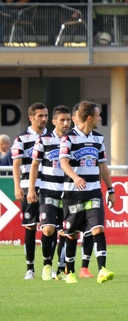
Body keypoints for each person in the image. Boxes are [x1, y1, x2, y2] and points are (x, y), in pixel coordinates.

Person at [59, 101, 115, 284]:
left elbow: (103, 166)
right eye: (98, 115)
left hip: (93, 192)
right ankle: (69, 272)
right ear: (90, 118)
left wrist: (111, 189)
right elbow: (63, 162)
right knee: (72, 234)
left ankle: (102, 270)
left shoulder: (99, 139)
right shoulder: (68, 138)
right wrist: (75, 177)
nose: (100, 118)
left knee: (98, 229)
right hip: (72, 194)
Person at [27, 105, 72, 281]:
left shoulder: (74, 141)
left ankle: (61, 269)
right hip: (48, 190)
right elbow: (35, 165)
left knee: (65, 232)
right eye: (62, 120)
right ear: (54, 122)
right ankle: (47, 265)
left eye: (68, 119)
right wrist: (31, 188)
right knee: (47, 230)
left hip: (68, 192)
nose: (66, 123)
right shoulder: (44, 140)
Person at [11, 102, 48, 280]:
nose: (44, 119)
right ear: (31, 117)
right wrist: (18, 187)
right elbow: (16, 165)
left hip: (50, 187)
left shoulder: (54, 138)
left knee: (51, 228)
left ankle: (49, 267)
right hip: (28, 187)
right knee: (30, 227)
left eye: (46, 116)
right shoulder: (21, 139)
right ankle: (30, 268)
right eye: (40, 116)